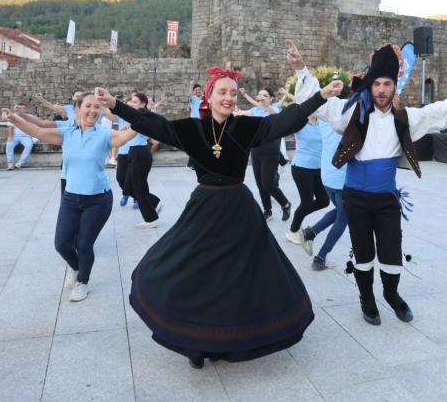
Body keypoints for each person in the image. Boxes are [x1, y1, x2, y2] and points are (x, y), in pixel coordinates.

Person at [93, 64, 340, 369]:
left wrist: (320, 96)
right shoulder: (191, 129)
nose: (229, 98)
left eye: (233, 93)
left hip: (239, 209)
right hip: (205, 209)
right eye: (222, 92)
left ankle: (234, 338)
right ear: (209, 96)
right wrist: (116, 105)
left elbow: (285, 120)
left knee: (241, 275)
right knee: (197, 271)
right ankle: (195, 342)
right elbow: (152, 124)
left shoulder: (247, 128)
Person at [291, 41, 447, 327]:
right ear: (370, 85)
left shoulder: (405, 117)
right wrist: (301, 70)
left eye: (387, 84)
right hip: (354, 198)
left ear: (394, 87)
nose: (381, 89)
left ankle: (391, 295)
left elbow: (441, 111)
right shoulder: (348, 113)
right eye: (377, 83)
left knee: (392, 252)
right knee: (363, 252)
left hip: (386, 200)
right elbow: (317, 103)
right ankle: (367, 299)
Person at [2, 92, 138, 301]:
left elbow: (124, 136)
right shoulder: (67, 133)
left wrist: (140, 118)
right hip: (71, 198)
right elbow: (38, 130)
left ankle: (83, 281)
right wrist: (13, 118)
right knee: (62, 244)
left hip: (98, 200)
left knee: (84, 244)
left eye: (97, 107)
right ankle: (76, 268)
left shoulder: (104, 134)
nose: (93, 110)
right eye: (88, 106)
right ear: (78, 109)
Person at [299, 80, 353, 270]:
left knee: (341, 210)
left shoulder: (323, 115)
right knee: (344, 217)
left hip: (328, 176)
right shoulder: (347, 117)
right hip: (343, 177)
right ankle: (320, 258)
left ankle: (310, 232)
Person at [237, 88, 292, 222]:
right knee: (260, 183)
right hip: (256, 150)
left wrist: (267, 106)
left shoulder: (274, 110)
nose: (261, 98)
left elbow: (276, 116)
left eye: (265, 96)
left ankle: (286, 204)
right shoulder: (256, 111)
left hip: (271, 150)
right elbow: (240, 113)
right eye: (260, 95)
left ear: (271, 98)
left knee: (268, 183)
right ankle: (267, 210)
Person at [120, 92, 163, 228]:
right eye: (131, 101)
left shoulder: (141, 116)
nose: (132, 104)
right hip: (134, 152)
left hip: (140, 152)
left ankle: (151, 219)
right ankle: (155, 202)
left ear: (143, 104)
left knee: (138, 187)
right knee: (128, 187)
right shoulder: (136, 116)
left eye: (135, 102)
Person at [285, 115, 329, 244]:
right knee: (307, 202)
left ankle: (299, 212)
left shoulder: (324, 122)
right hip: (301, 167)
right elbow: (283, 127)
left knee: (324, 200)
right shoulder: (301, 121)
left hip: (319, 167)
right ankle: (292, 231)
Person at [5, 103, 35, 169]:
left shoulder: (30, 117)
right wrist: (10, 137)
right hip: (15, 136)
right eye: (19, 108)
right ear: (17, 109)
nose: (22, 109)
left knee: (29, 145)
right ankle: (10, 163)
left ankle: (20, 162)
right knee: (9, 145)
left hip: (26, 136)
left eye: (23, 108)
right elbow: (10, 127)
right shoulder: (12, 116)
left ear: (26, 109)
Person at [187, 82, 203, 170]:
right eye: (196, 90)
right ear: (194, 91)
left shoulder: (204, 99)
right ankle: (190, 164)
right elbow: (188, 95)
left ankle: (192, 164)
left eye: (199, 89)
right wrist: (190, 86)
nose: (198, 91)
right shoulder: (193, 99)